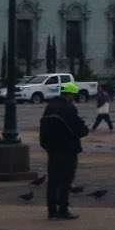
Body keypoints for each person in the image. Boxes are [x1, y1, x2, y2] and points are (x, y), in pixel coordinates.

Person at [39, 89, 88, 219]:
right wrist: (84, 128)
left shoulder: (50, 106)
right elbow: (78, 129)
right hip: (68, 149)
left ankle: (51, 211)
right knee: (66, 181)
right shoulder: (69, 108)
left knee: (53, 181)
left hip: (52, 149)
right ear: (70, 94)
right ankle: (63, 209)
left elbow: (43, 127)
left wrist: (46, 145)